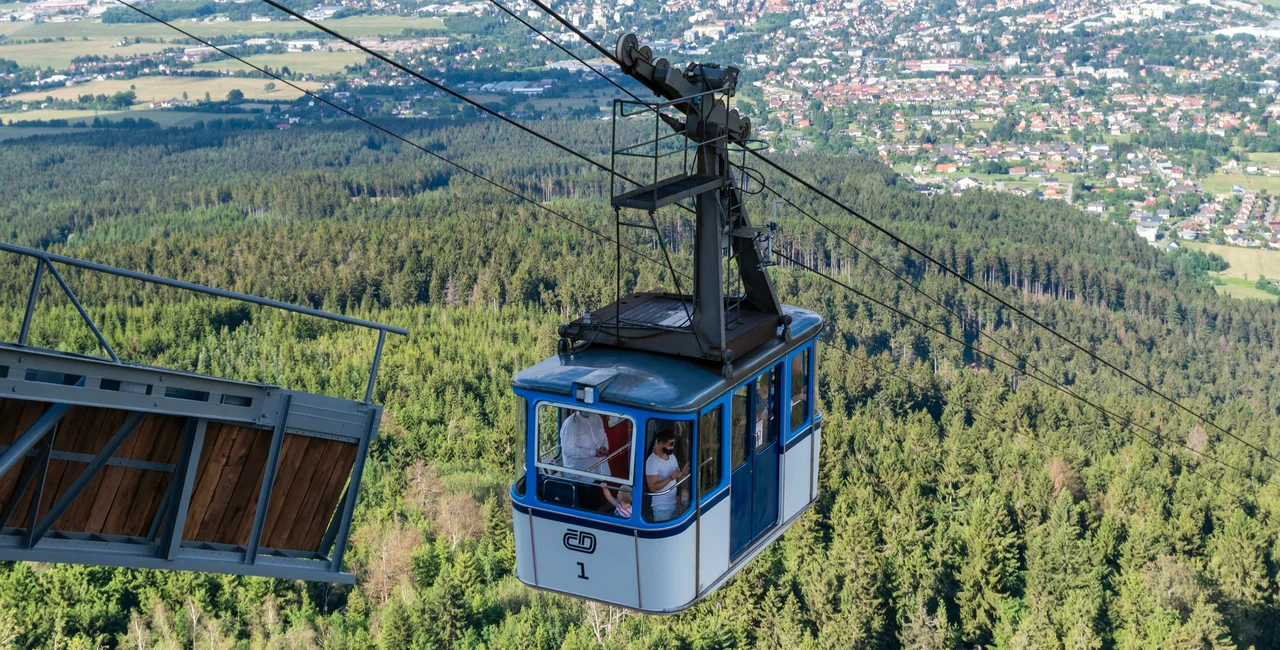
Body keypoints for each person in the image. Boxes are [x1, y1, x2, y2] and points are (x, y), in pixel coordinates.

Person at [645, 428, 687, 521]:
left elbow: (677, 477)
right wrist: (671, 477)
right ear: (660, 443)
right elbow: (652, 487)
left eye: (674, 444)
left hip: (675, 503)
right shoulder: (652, 462)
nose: (672, 447)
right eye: (670, 444)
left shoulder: (672, 456)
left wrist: (683, 473)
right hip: (662, 507)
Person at [560, 410, 611, 476]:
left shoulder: (597, 418)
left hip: (601, 470)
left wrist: (605, 446)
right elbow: (568, 450)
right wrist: (593, 452)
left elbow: (604, 436)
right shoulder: (570, 424)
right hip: (581, 476)